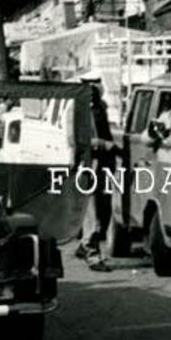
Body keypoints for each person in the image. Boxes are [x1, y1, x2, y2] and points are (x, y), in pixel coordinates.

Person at [75, 69, 119, 271]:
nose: (95, 88)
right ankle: (92, 253)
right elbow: (76, 139)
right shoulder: (77, 108)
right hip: (88, 164)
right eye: (91, 84)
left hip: (103, 165)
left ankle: (85, 245)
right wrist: (103, 145)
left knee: (103, 210)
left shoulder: (100, 107)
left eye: (97, 83)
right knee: (91, 212)